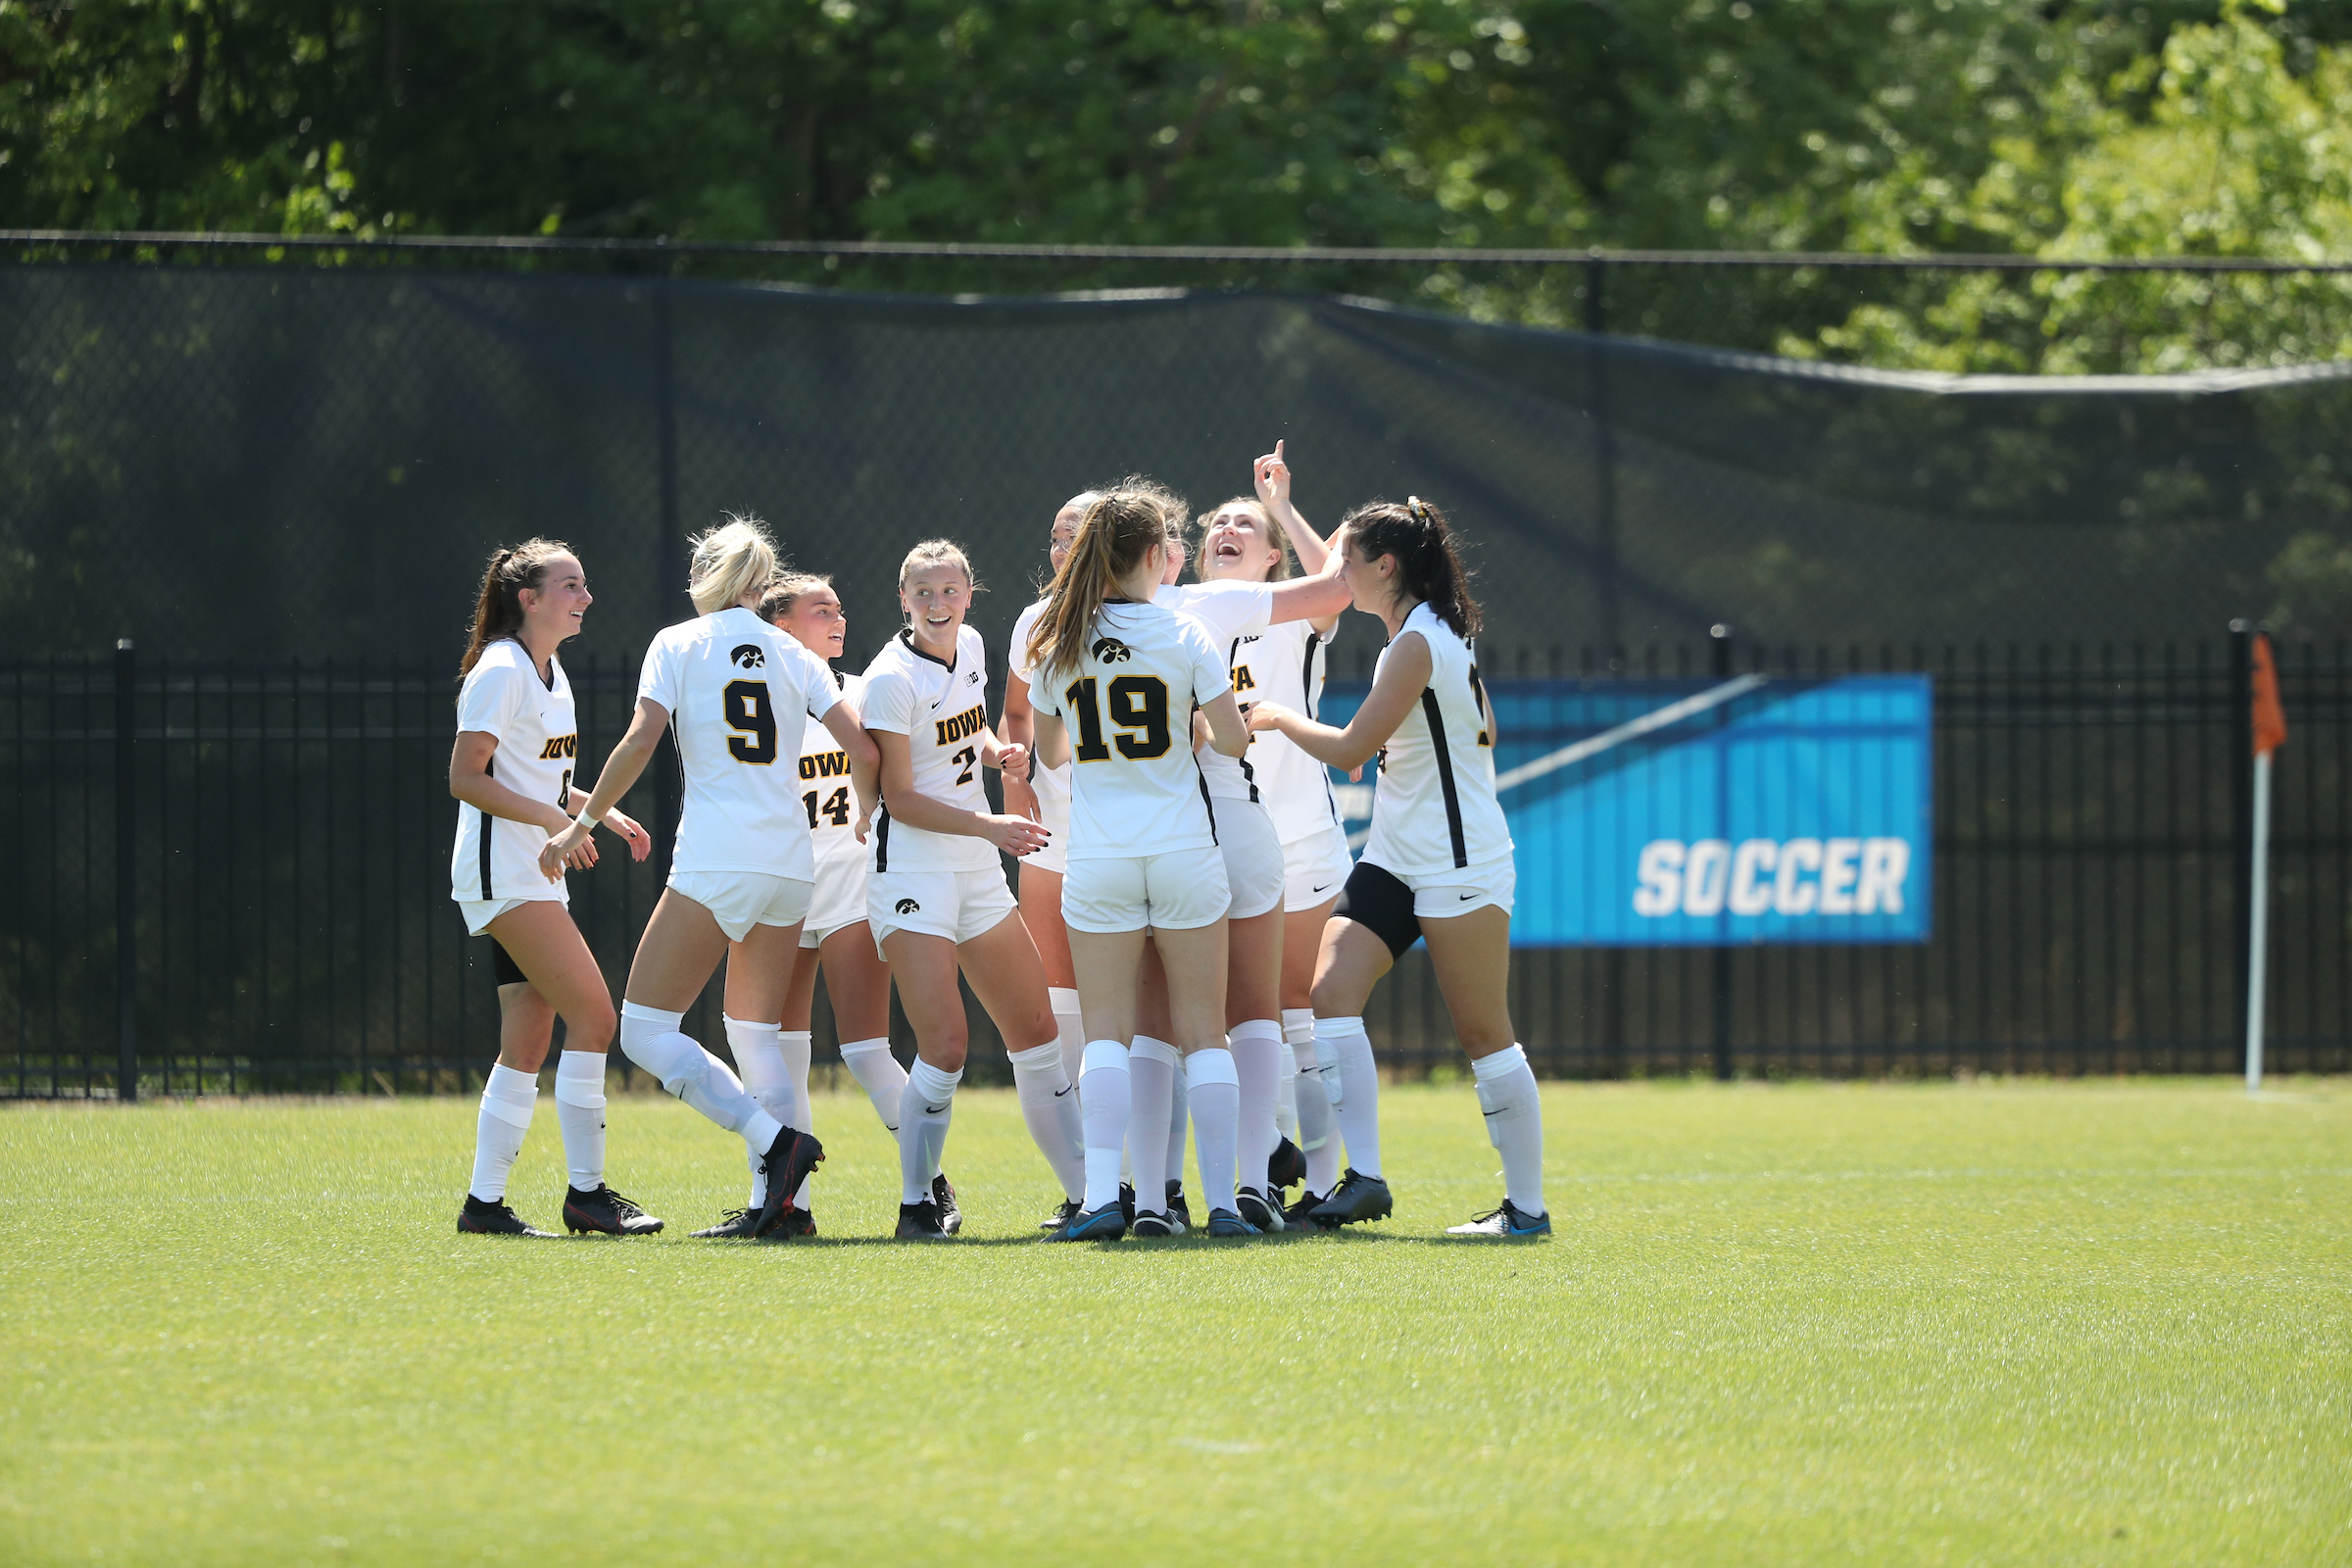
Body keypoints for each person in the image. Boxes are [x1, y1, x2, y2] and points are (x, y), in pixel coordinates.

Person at [544, 515, 875, 1240]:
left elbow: (639, 740)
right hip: (792, 865)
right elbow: (863, 748)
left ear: (710, 577)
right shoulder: (793, 653)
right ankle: (785, 1210)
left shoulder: (677, 643)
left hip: (718, 860)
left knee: (644, 1029)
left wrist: (581, 821)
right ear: (759, 585)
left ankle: (775, 1144)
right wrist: (867, 813)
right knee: (754, 1031)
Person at [1243, 497, 1550, 1239]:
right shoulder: (1424, 634)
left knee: (1484, 1034)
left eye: (1347, 560)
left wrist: (1278, 714)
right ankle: (1367, 1179)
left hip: (1458, 860)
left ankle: (1527, 1210)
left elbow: (1348, 748)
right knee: (1330, 991)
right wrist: (1280, 506)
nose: (1334, 571)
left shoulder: (1417, 643)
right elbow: (1484, 726)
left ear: (1385, 567)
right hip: (1397, 854)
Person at [1027, 484, 1254, 1241]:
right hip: (1186, 850)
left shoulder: (1059, 638)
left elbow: (1051, 753)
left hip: (1100, 856)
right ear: (1158, 556)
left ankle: (1100, 1201)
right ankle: (1221, 1205)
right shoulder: (1186, 634)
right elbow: (1232, 741)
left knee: (1105, 1037)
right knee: (1203, 1033)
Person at [862, 539, 1082, 1241]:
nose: (937, 604)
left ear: (969, 592)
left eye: (949, 591)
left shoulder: (976, 645)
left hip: (976, 868)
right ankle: (916, 1203)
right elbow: (898, 797)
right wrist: (991, 824)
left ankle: (1090, 1198)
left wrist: (997, 751)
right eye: (922, 593)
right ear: (902, 599)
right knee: (947, 1046)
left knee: (1039, 1031)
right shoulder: (890, 677)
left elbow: (971, 729)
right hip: (914, 871)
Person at [447, 538, 661, 1239]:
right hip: (506, 875)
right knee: (596, 1017)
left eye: (584, 583)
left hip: (530, 871)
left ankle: (484, 1205)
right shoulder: (501, 668)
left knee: (528, 1042)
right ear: (527, 599)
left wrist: (601, 811)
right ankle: (587, 1194)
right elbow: (465, 777)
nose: (585, 597)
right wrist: (552, 820)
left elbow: (552, 782)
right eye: (570, 586)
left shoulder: (550, 672)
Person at [1159, 454, 1351, 1230]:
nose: (1227, 531)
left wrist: (1283, 505)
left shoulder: (1287, 610)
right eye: (1217, 526)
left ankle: (1327, 1181)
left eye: (1246, 525)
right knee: (1228, 1015)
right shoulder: (1183, 614)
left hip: (1297, 834)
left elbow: (1337, 583)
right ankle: (1264, 1162)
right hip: (1209, 837)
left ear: (1272, 553)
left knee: (1294, 1009)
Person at [690, 570, 904, 1239]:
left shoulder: (864, 695)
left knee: (867, 1050)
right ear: (778, 625)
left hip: (847, 884)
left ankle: (929, 1190)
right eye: (820, 610)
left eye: (840, 608)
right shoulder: (759, 697)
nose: (838, 619)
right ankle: (781, 1204)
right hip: (781, 881)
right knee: (777, 1053)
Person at [999, 492, 1094, 1230]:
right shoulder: (1034, 621)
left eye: (1081, 534)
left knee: (1139, 1014)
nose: (1065, 546)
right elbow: (1018, 717)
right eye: (1057, 535)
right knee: (1058, 1002)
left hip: (1135, 833)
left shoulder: (1152, 611)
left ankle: (1164, 1184)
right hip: (1057, 832)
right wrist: (1017, 780)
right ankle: (1089, 1184)